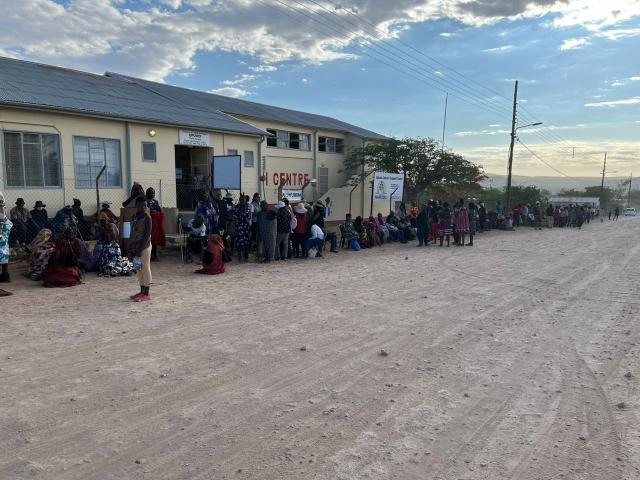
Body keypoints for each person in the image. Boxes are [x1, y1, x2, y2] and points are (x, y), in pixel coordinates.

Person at [129, 197, 152, 302]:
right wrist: (131, 249)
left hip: (144, 246)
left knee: (145, 268)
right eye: (142, 205)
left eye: (145, 205)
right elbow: (131, 233)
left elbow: (147, 235)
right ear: (136, 206)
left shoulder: (147, 218)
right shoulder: (133, 217)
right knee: (138, 269)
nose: (144, 207)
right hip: (135, 247)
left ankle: (147, 293)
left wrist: (140, 249)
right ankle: (142, 291)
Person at [146, 187, 166, 261]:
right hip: (148, 222)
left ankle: (154, 254)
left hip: (156, 223)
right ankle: (149, 255)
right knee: (149, 239)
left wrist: (159, 214)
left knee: (155, 239)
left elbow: (160, 211)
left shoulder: (155, 201)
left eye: (153, 193)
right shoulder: (144, 202)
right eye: (150, 193)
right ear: (146, 193)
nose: (152, 194)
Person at [0, 191, 13, 284]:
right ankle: (5, 274)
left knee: (2, 250)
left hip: (1, 225)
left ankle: (5, 275)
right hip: (3, 224)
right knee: (2, 249)